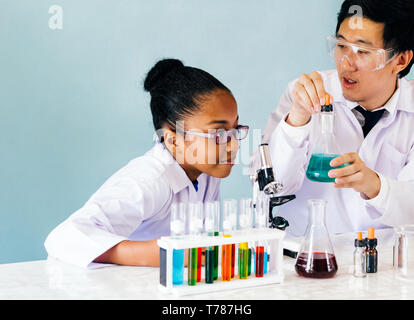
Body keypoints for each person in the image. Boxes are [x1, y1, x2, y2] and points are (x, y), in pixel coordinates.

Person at [45, 59, 249, 268]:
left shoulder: (205, 173)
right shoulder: (150, 181)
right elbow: (64, 238)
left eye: (236, 129)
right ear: (174, 139)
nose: (234, 146)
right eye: (219, 133)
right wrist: (164, 252)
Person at [250, 0, 414, 236]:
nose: (346, 62)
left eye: (363, 51)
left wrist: (375, 185)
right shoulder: (304, 92)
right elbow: (267, 188)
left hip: (385, 263)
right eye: (341, 45)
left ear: (400, 60)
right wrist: (297, 119)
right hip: (304, 257)